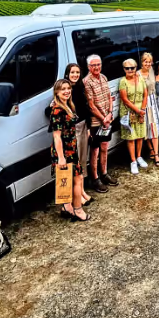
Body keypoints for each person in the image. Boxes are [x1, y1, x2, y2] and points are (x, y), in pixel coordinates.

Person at [48, 79, 89, 222]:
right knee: (78, 179)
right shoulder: (57, 110)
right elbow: (56, 137)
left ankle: (68, 207)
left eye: (68, 88)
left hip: (71, 148)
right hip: (65, 152)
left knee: (74, 179)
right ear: (56, 92)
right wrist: (61, 158)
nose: (66, 91)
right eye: (62, 89)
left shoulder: (67, 105)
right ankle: (77, 209)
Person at [83, 55, 118, 193]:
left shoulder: (103, 77)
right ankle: (95, 178)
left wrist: (110, 113)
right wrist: (104, 118)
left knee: (105, 147)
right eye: (93, 65)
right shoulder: (87, 82)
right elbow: (91, 105)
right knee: (95, 150)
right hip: (96, 122)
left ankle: (104, 174)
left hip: (107, 119)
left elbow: (109, 97)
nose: (96, 67)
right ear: (88, 67)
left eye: (98, 64)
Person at [63, 63, 93, 206]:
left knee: (81, 160)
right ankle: (75, 196)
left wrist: (88, 127)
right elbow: (54, 107)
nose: (75, 75)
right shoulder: (65, 90)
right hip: (72, 129)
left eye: (77, 72)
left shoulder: (80, 87)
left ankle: (81, 191)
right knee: (74, 163)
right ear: (67, 74)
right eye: (72, 72)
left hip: (82, 126)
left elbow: (85, 108)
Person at [119, 58, 148, 174]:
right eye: (127, 68)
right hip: (128, 112)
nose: (130, 70)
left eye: (132, 68)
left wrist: (143, 109)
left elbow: (145, 94)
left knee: (140, 135)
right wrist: (138, 111)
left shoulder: (140, 79)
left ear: (136, 68)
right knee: (131, 137)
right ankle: (133, 161)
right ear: (124, 69)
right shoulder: (123, 81)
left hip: (140, 110)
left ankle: (139, 156)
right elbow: (125, 100)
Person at [139, 53, 159, 165]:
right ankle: (150, 149)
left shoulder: (152, 70)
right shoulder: (137, 74)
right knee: (146, 128)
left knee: (154, 127)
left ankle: (156, 154)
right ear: (142, 62)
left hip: (153, 101)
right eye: (145, 61)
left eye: (149, 62)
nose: (147, 64)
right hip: (143, 102)